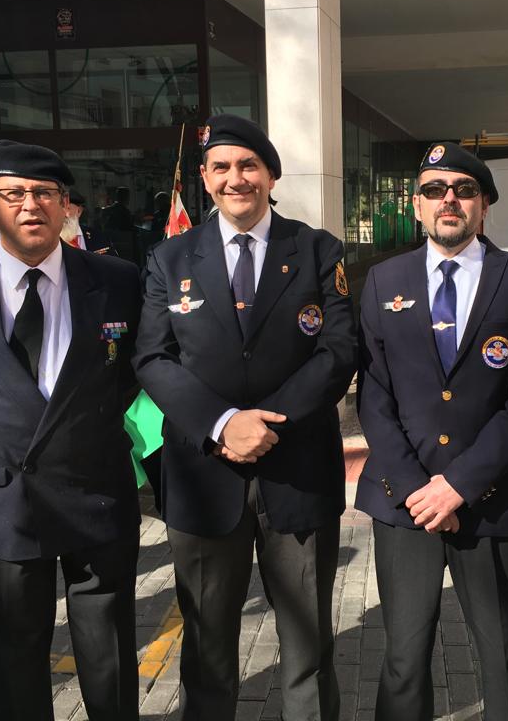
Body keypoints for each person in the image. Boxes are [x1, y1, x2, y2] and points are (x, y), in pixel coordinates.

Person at [0, 140, 143, 720]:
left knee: (109, 649)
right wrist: (3, 432)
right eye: (13, 193)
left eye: (44, 193)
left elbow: (129, 375)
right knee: (14, 652)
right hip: (6, 493)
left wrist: (79, 428)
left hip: (95, 485)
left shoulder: (118, 280)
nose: (30, 205)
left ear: (67, 206)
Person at [133, 114, 355, 720]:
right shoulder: (169, 256)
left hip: (297, 470)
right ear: (205, 179)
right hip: (204, 475)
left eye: (249, 165)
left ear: (271, 175)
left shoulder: (317, 249)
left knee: (308, 645)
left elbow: (339, 350)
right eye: (222, 168)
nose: (236, 179)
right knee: (206, 645)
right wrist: (223, 423)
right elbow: (152, 357)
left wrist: (265, 424)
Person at [355, 142, 508, 721]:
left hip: (491, 498)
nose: (449, 200)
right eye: (434, 190)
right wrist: (418, 489)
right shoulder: (382, 279)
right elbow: (373, 393)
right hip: (405, 503)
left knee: (504, 657)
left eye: (464, 190)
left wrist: (459, 486)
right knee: (403, 658)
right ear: (416, 204)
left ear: (484, 204)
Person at [61, 188, 115, 254]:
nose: (62, 214)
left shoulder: (98, 237)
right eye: (59, 209)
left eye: (68, 208)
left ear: (79, 211)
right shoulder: (50, 239)